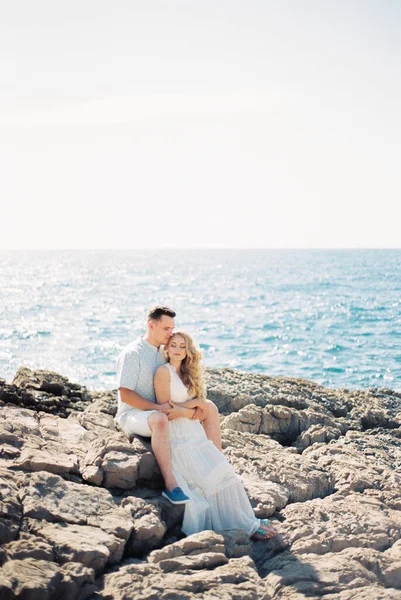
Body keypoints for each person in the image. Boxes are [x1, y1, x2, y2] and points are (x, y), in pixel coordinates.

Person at [154, 331, 278, 541]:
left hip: (195, 433)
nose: (177, 350)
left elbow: (200, 406)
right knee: (211, 480)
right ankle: (244, 525)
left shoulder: (188, 373)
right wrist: (191, 408)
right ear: (166, 349)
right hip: (178, 437)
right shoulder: (163, 372)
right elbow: (166, 410)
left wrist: (189, 408)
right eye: (173, 345)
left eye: (182, 346)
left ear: (188, 350)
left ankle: (247, 518)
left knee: (228, 475)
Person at [115, 305, 222, 505]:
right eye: (166, 328)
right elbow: (125, 394)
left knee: (210, 408)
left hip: (164, 408)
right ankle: (171, 485)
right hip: (134, 414)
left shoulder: (163, 351)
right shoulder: (132, 353)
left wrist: (194, 403)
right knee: (160, 419)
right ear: (151, 325)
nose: (170, 333)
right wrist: (156, 408)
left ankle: (218, 466)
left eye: (172, 328)